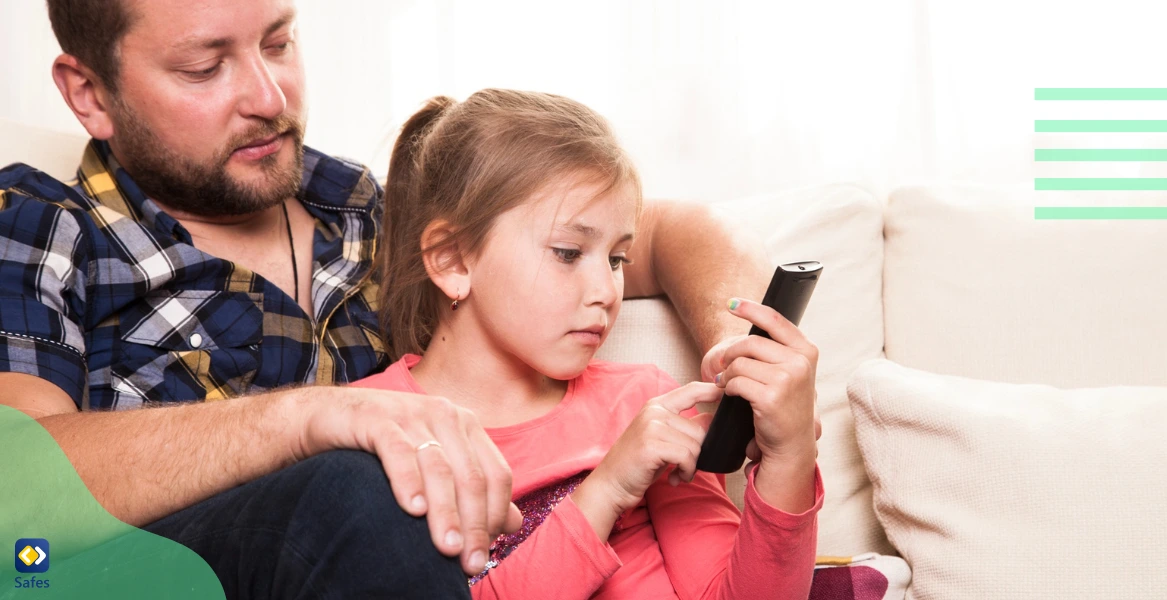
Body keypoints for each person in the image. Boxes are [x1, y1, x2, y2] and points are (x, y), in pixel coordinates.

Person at [0, 0, 808, 597]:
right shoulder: (42, 225)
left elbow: (654, 230)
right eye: (205, 67)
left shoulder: (363, 208)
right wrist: (310, 418)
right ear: (89, 94)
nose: (269, 98)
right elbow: (16, 492)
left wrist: (744, 376)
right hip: (149, 576)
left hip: (385, 569)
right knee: (364, 481)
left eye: (279, 43)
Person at [352, 89, 823, 599]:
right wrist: (607, 491)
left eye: (617, 259)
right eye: (568, 252)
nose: (605, 292)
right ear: (452, 261)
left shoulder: (649, 406)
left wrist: (789, 458)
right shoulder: (374, 430)